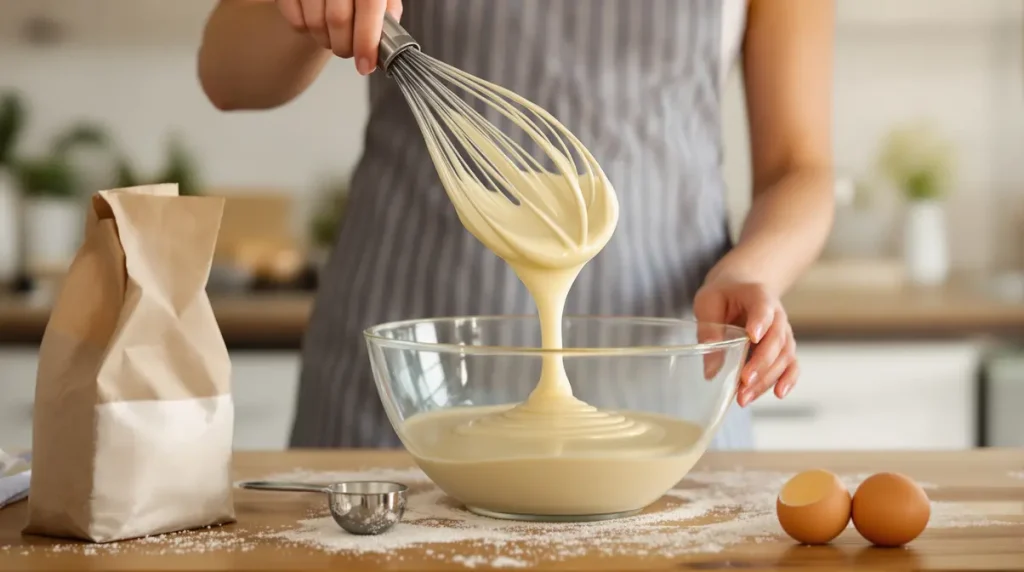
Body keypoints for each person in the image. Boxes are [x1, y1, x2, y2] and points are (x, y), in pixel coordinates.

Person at [197, 0, 835, 450]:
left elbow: (798, 169)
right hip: (401, 398)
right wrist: (305, 15)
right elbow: (226, 72)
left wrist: (753, 271)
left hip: (667, 405)